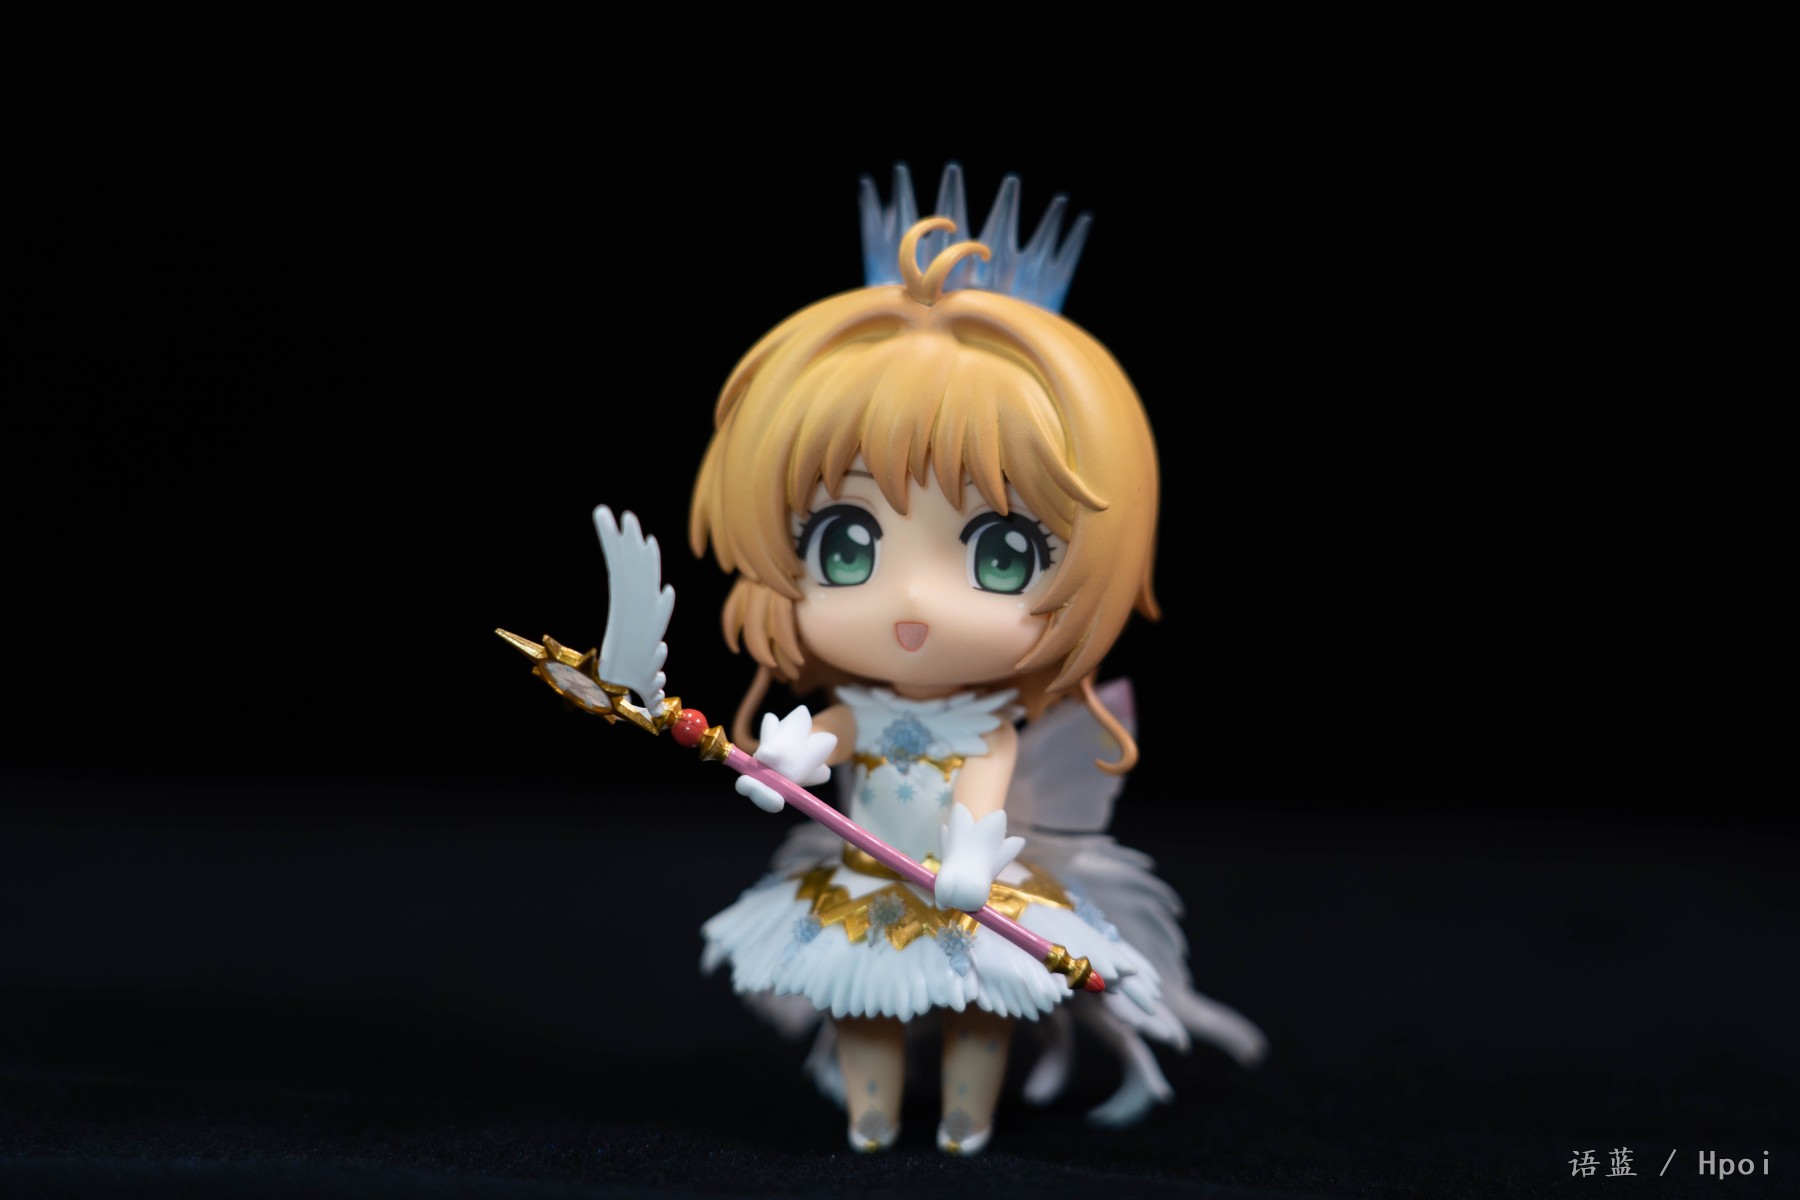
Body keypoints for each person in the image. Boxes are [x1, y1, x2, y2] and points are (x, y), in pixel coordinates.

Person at [692, 168, 1264, 1155]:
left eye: (1002, 555)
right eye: (845, 547)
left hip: (960, 887)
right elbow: (834, 736)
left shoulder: (984, 729)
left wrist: (966, 858)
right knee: (860, 997)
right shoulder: (865, 709)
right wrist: (788, 760)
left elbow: (984, 787)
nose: (913, 602)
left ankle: (966, 1118)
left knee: (980, 1001)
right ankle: (872, 1114)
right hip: (866, 885)